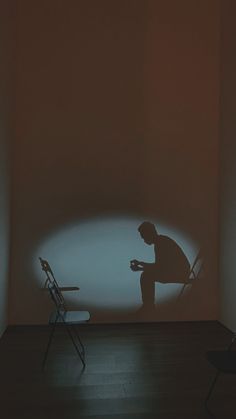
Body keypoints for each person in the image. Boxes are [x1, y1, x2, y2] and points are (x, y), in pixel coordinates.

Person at [130, 221, 190, 308]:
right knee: (147, 275)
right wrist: (141, 264)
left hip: (180, 272)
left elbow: (159, 267)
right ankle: (148, 305)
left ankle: (148, 306)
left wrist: (141, 267)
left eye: (143, 237)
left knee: (146, 276)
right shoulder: (161, 241)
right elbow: (160, 266)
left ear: (149, 233)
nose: (144, 240)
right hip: (179, 271)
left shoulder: (161, 243)